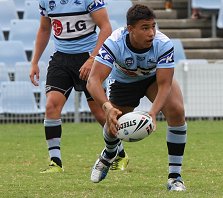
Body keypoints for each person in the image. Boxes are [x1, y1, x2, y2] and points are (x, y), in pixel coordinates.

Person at [87, 4, 187, 191]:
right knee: (112, 125)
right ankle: (109, 154)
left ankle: (175, 177)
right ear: (130, 29)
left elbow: (165, 84)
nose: (151, 32)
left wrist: (152, 113)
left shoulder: (163, 44)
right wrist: (107, 107)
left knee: (177, 111)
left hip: (153, 79)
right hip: (123, 82)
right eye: (145, 28)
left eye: (153, 26)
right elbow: (93, 81)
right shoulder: (115, 42)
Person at [30, 0, 128, 173]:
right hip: (61, 59)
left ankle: (120, 153)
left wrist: (92, 59)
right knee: (51, 105)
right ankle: (55, 161)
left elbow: (106, 28)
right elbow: (44, 29)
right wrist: (35, 62)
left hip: (88, 57)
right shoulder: (45, 1)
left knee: (99, 112)